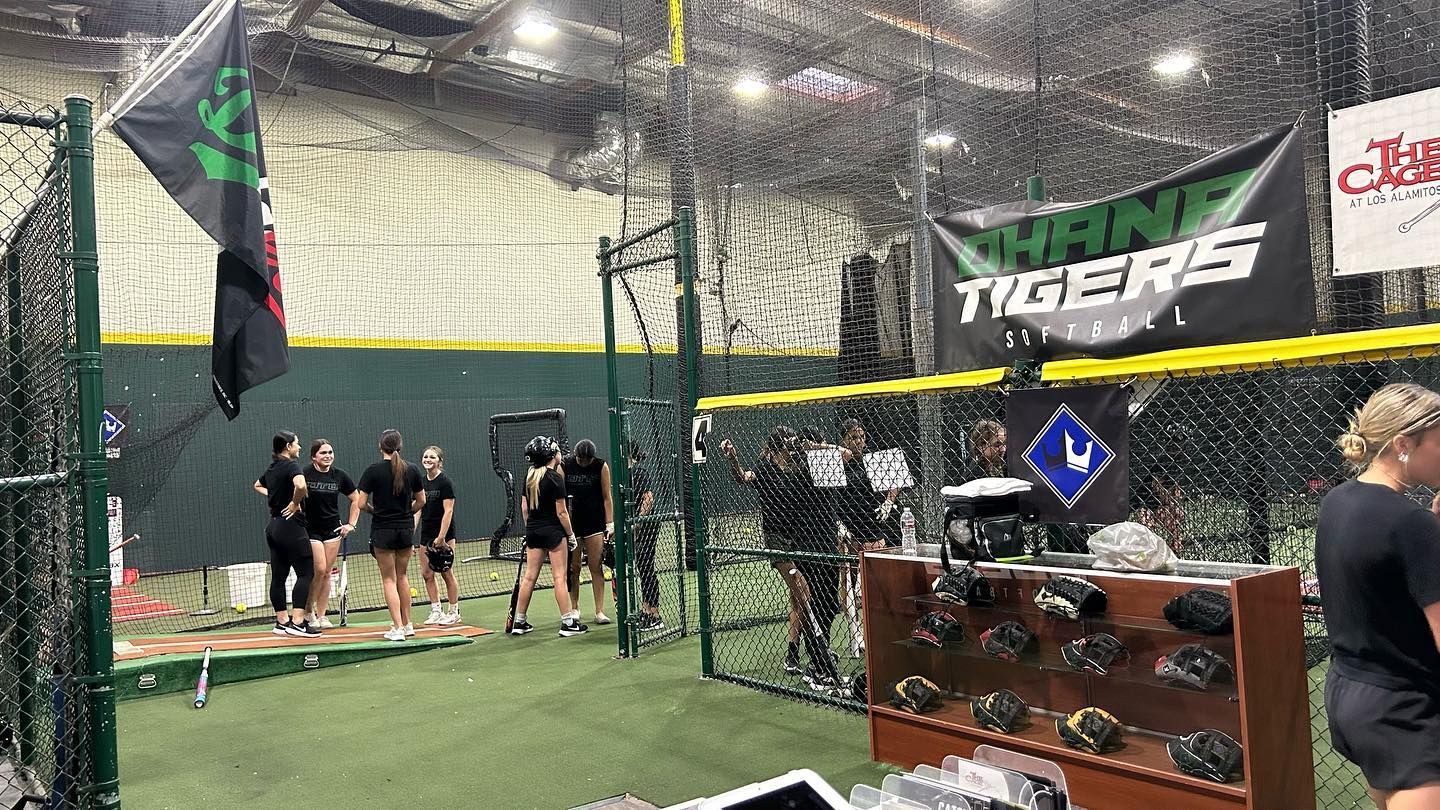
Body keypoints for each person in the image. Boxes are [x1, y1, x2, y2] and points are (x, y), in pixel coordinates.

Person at [1318, 382, 1440, 810]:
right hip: (1405, 709)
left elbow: (1380, 572)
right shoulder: (1411, 525)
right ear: (1404, 444)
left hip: (1352, 693)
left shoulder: (1339, 501)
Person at [721, 427, 844, 693]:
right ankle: (815, 655)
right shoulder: (767, 468)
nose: (794, 449)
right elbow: (742, 477)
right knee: (804, 592)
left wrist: (811, 446)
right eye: (790, 445)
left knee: (801, 600)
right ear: (780, 447)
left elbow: (841, 456)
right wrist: (733, 458)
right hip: (778, 539)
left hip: (796, 537)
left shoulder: (796, 470)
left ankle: (794, 653)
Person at [511, 436, 587, 637]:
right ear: (552, 455)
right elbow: (562, 512)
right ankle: (568, 623)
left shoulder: (529, 478)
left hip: (534, 531)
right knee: (559, 577)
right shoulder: (554, 478)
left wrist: (530, 530)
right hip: (553, 532)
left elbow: (524, 508)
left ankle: (519, 621)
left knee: (529, 577)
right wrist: (570, 535)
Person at [356, 429, 426, 642]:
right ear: (400, 446)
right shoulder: (412, 469)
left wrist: (374, 511)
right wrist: (407, 513)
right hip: (405, 530)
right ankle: (408, 625)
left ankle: (397, 628)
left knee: (389, 579)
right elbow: (421, 501)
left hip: (383, 530)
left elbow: (360, 504)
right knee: (402, 577)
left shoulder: (372, 471)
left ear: (381, 447)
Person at [251, 430, 319, 638]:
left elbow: (257, 485)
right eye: (297, 443)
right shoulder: (291, 465)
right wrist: (294, 503)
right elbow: (301, 485)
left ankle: (282, 622)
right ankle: (297, 622)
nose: (299, 447)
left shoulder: (272, 468)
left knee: (278, 577)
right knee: (306, 572)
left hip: (274, 527)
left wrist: (275, 497)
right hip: (290, 526)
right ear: (288, 447)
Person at [302, 439, 360, 628]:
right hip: (310, 530)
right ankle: (307, 610)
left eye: (330, 452)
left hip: (333, 530)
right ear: (313, 457)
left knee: (327, 572)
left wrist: (351, 524)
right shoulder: (304, 474)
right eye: (323, 453)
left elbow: (356, 498)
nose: (328, 456)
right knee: (318, 569)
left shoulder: (339, 476)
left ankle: (322, 615)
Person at [562, 439, 614, 624]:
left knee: (596, 566)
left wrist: (610, 523)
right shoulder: (565, 465)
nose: (584, 462)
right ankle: (574, 608)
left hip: (594, 523)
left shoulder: (601, 466)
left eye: (587, 460)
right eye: (581, 459)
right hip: (572, 525)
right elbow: (559, 498)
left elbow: (607, 497)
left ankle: (599, 611)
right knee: (573, 567)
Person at [837, 419, 900, 551]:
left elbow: (895, 479)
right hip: (847, 517)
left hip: (872, 518)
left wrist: (888, 501)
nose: (859, 441)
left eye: (862, 437)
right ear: (843, 440)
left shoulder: (871, 456)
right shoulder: (837, 460)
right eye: (853, 437)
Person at [417, 445, 462, 626]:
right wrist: (409, 534)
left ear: (439, 461)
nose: (428, 459)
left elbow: (448, 511)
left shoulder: (445, 482)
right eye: (426, 456)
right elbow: (418, 509)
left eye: (432, 457)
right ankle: (436, 610)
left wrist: (441, 537)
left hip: (444, 534)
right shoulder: (420, 482)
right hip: (426, 534)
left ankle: (454, 611)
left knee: (446, 573)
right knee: (427, 574)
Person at [627, 444, 663, 632]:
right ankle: (645, 609)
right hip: (638, 529)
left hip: (646, 528)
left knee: (647, 567)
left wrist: (638, 523)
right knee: (643, 567)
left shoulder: (639, 472)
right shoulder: (628, 473)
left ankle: (654, 614)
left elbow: (648, 498)